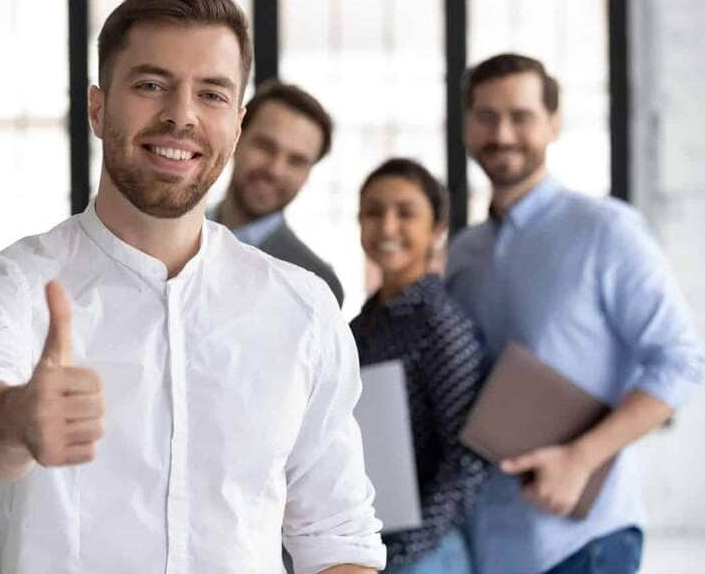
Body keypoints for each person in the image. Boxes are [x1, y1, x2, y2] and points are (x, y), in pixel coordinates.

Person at [0, 0, 385, 573]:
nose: (181, 116)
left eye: (211, 94)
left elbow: (338, 535)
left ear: (237, 125)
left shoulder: (302, 308)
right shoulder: (3, 285)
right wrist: (17, 419)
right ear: (97, 107)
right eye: (150, 85)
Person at [445, 53, 705, 574]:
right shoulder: (462, 253)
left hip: (584, 542)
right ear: (468, 126)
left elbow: (681, 360)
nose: (503, 133)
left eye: (521, 116)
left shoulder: (606, 230)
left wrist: (580, 458)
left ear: (553, 123)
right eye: (487, 116)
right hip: (488, 546)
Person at [350, 158, 487, 574]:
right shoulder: (361, 325)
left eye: (405, 213)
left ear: (437, 226)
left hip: (424, 558)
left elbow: (468, 460)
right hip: (369, 546)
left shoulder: (440, 323)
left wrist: (404, 551)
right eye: (373, 212)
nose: (387, 227)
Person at [214, 79, 345, 305]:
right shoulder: (172, 235)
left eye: (296, 161)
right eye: (265, 146)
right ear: (236, 136)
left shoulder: (316, 284)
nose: (274, 170)